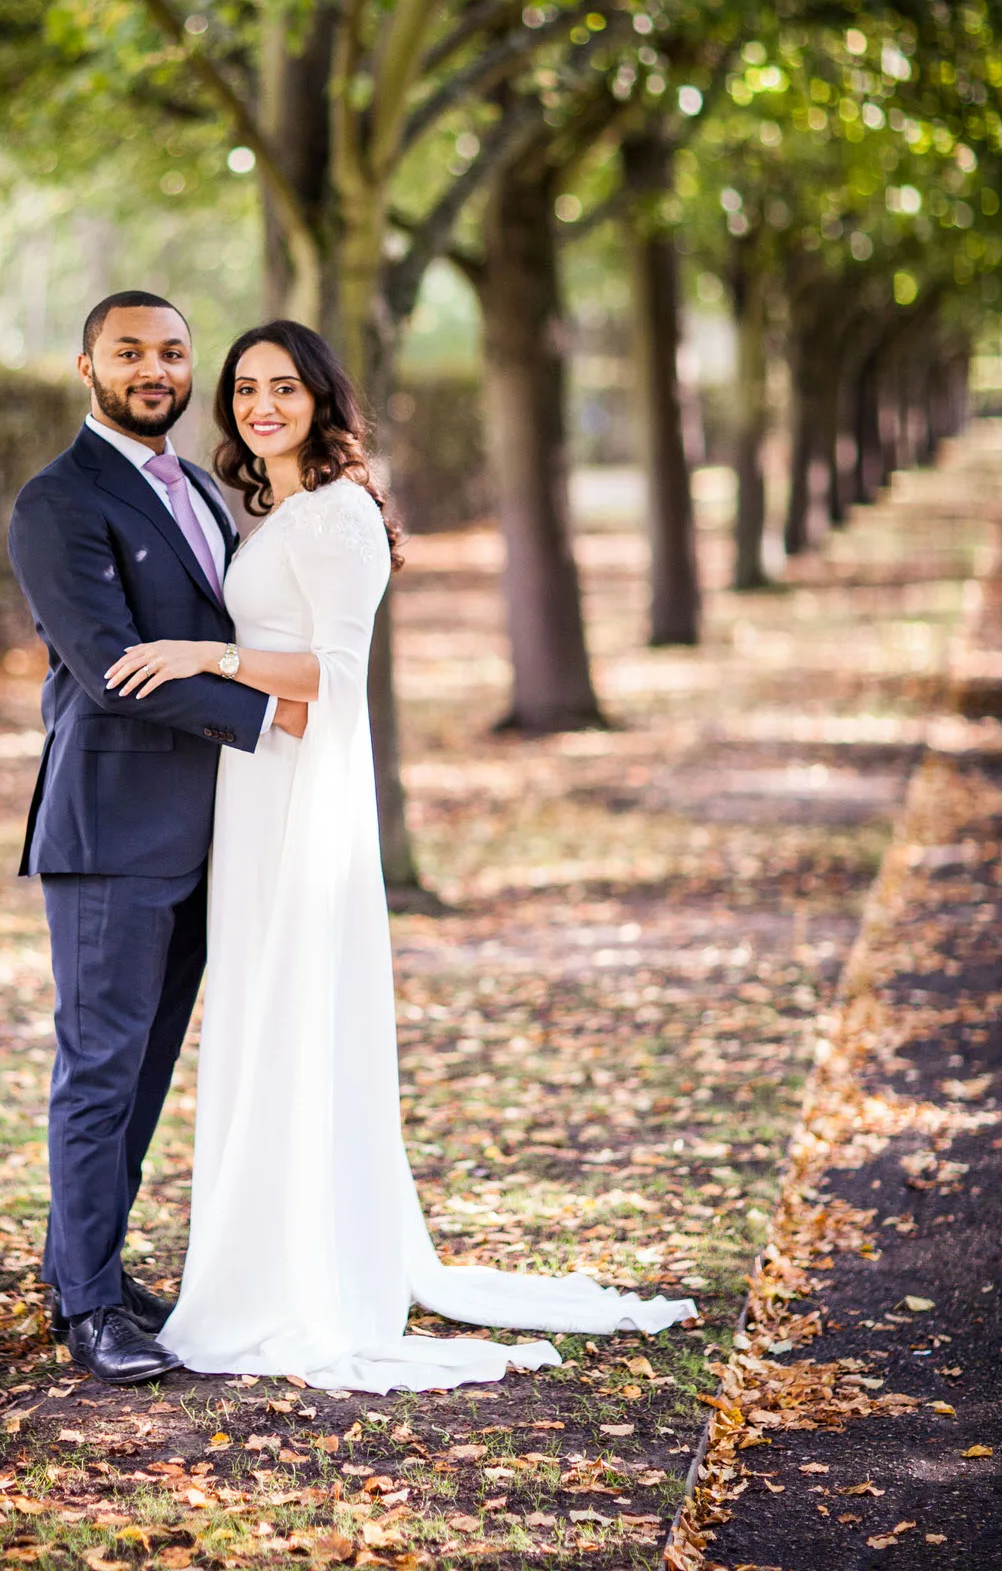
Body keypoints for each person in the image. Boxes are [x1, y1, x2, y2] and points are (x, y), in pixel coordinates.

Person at [101, 318, 697, 1393]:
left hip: (301, 798)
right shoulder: (274, 510)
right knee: (256, 1015)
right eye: (243, 388)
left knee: (291, 1011)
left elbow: (331, 671)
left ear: (323, 400)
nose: (260, 405)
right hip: (253, 788)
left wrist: (208, 652)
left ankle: (292, 1276)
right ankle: (256, 1251)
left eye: (283, 386)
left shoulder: (341, 517)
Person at [8, 292, 308, 1386]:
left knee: (139, 1076)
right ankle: (88, 1308)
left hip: (204, 836)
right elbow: (113, 668)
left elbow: (211, 637)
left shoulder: (203, 494)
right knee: (97, 1073)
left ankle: (83, 1268)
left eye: (173, 352)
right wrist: (275, 717)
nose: (154, 368)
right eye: (129, 351)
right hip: (109, 834)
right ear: (84, 361)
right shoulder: (59, 500)